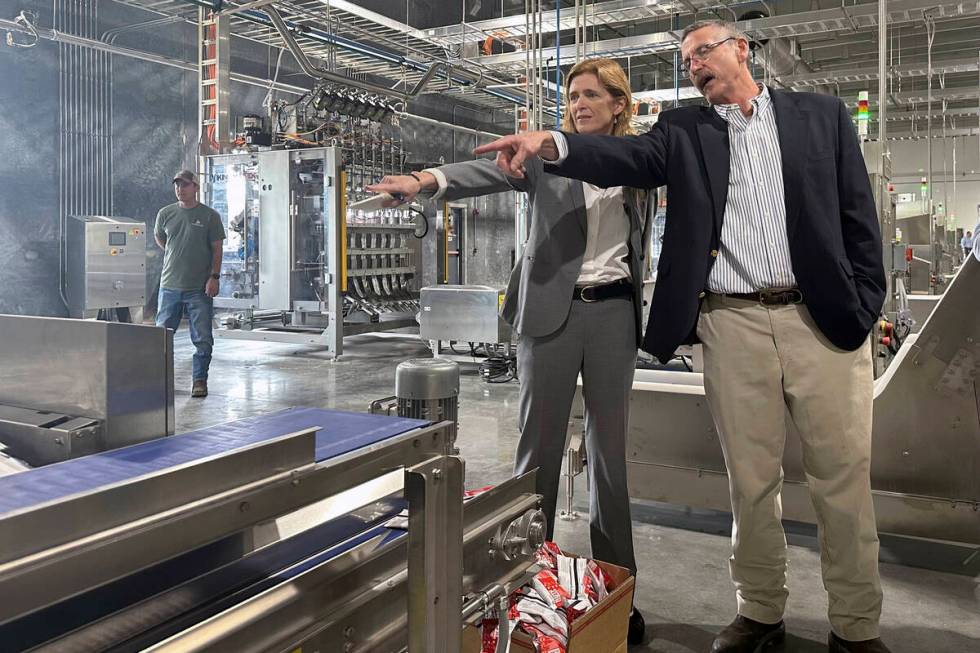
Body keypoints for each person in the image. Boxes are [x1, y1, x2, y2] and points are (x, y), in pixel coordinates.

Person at [473, 20, 891, 653]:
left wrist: (864, 303)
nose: (694, 64)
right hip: (732, 322)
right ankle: (760, 611)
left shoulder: (822, 116)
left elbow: (859, 215)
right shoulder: (685, 131)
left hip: (822, 323)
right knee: (750, 482)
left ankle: (855, 628)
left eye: (703, 51)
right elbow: (625, 157)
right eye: (686, 59)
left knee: (843, 480)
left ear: (740, 51)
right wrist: (554, 142)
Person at [366, 58, 652, 645]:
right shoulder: (546, 154)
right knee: (537, 454)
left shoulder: (640, 163)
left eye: (592, 95)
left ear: (619, 104)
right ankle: (523, 583)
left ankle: (614, 587)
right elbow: (483, 174)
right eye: (572, 95)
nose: (578, 104)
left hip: (615, 315)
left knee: (609, 458)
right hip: (551, 313)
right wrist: (422, 182)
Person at [154, 170, 225, 398]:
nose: (180, 189)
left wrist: (214, 277)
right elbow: (161, 239)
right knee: (161, 337)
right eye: (177, 185)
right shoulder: (165, 213)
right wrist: (177, 256)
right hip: (170, 285)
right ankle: (160, 381)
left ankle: (199, 381)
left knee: (202, 338)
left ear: (195, 187)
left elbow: (217, 249)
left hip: (199, 288)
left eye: (184, 185)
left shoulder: (209, 216)